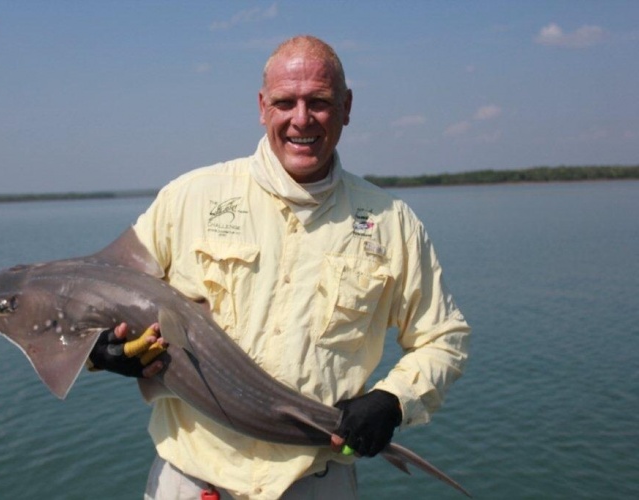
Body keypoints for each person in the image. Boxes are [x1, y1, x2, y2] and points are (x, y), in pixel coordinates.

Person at [89, 35, 470, 500]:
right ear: (262, 106)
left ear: (347, 107)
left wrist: (394, 400)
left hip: (317, 481)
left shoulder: (393, 223)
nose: (301, 120)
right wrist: (100, 349)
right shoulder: (189, 198)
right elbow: (99, 288)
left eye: (320, 102)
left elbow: (443, 338)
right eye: (285, 102)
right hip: (191, 482)